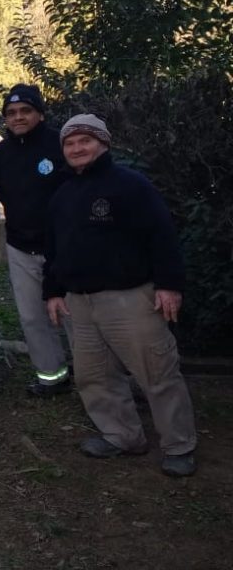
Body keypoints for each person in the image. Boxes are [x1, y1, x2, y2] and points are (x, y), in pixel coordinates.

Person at [43, 114, 197, 477]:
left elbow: (162, 236)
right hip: (80, 302)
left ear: (104, 143)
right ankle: (122, 435)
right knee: (93, 376)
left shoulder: (130, 185)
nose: (77, 148)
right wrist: (52, 291)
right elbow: (53, 249)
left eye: (86, 140)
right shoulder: (61, 195)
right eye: (70, 142)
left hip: (130, 299)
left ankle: (179, 445)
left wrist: (169, 285)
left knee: (157, 373)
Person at [0, 84, 72, 397]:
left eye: (26, 110)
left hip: (63, 247)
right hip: (20, 246)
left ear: (39, 113)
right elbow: (3, 193)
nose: (18, 117)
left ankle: (98, 378)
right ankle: (52, 376)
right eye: (11, 113)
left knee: (75, 316)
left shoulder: (59, 144)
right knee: (31, 316)